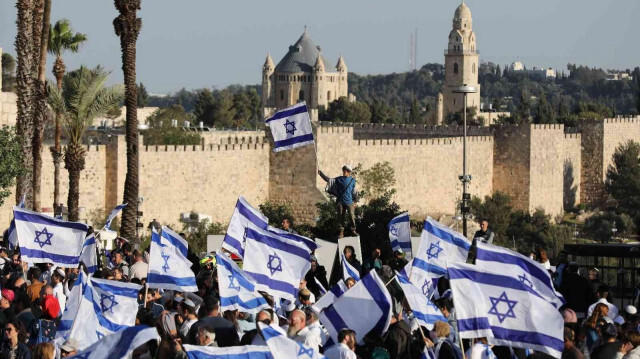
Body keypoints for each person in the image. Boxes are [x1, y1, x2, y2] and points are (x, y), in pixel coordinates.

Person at [318, 165, 358, 237]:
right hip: (340, 201)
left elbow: (354, 191)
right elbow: (329, 180)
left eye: (345, 171)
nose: (344, 172)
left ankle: (353, 230)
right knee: (340, 216)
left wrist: (356, 201)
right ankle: (341, 232)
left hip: (349, 201)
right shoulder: (339, 179)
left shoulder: (352, 180)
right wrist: (321, 173)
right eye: (343, 170)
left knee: (352, 215)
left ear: (349, 172)